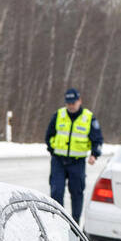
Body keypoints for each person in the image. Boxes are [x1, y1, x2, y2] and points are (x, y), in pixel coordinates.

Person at [45, 88, 103, 223]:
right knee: (56, 191)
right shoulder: (59, 115)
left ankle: (75, 223)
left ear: (79, 101)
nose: (71, 105)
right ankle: (57, 220)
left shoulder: (88, 117)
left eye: (73, 102)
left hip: (77, 162)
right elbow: (49, 135)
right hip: (58, 161)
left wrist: (94, 154)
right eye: (68, 103)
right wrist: (52, 149)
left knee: (76, 192)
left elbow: (97, 139)